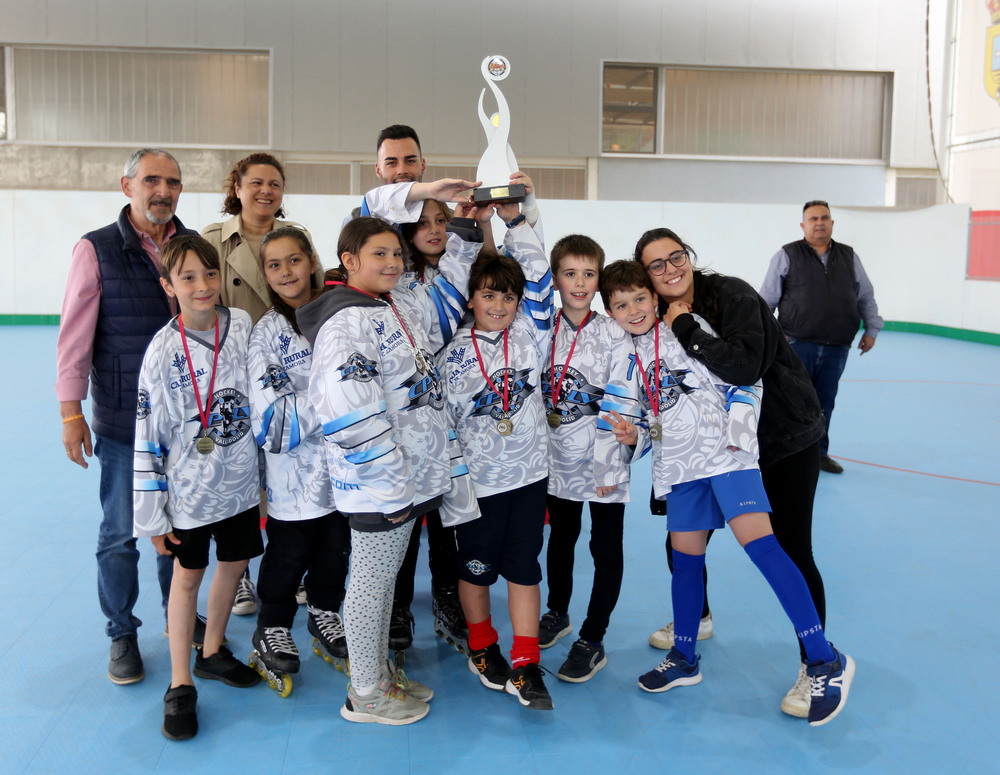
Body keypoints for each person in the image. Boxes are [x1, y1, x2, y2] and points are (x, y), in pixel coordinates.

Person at [596, 259, 854, 728]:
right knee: (685, 557)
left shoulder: (691, 328)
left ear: (655, 298)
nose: (633, 309)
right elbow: (642, 419)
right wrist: (632, 438)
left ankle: (823, 657)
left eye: (639, 299)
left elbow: (744, 380)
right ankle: (684, 657)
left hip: (727, 458)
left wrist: (736, 440)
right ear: (611, 313)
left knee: (765, 549)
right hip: (679, 467)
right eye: (620, 305)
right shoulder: (628, 357)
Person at [297, 216, 480, 725]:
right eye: (379, 254)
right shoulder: (345, 323)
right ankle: (365, 694)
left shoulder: (393, 303)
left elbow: (445, 297)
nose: (393, 263)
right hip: (381, 488)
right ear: (349, 260)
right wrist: (391, 485)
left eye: (396, 255)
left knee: (382, 581)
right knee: (371, 586)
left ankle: (378, 675)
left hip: (409, 479)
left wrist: (469, 227)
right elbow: (348, 410)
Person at [56, 148, 205, 686]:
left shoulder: (192, 247)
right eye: (151, 180)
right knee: (120, 534)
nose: (162, 190)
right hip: (123, 423)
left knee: (179, 531)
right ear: (127, 185)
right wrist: (70, 411)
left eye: (172, 181)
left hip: (187, 427)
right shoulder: (95, 250)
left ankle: (177, 617)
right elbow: (74, 335)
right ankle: (121, 632)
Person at [134, 235, 264, 740]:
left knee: (234, 566)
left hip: (240, 485)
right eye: (188, 277)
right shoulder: (162, 351)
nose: (203, 286)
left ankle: (212, 651)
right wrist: (152, 514)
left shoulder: (243, 326)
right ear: (169, 286)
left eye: (210, 274)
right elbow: (147, 434)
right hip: (189, 493)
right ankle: (180, 681)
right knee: (187, 578)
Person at [361, 124, 483, 659]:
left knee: (450, 518)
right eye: (392, 163)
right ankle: (395, 611)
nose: (403, 170)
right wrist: (427, 196)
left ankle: (447, 601)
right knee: (403, 515)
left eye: (411, 161)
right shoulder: (385, 261)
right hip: (399, 412)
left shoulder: (456, 260)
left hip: (455, 411)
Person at [437, 200, 556, 711]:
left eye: (509, 297)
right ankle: (484, 648)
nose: (502, 305)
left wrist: (514, 219)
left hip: (530, 477)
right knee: (477, 571)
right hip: (478, 486)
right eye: (489, 296)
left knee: (525, 567)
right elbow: (441, 424)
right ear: (471, 299)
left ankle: (527, 660)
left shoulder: (531, 334)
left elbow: (539, 277)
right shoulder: (451, 352)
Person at [201, 152, 323, 615]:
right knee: (242, 479)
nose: (265, 191)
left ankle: (299, 568)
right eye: (255, 183)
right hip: (233, 377)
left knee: (292, 471)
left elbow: (308, 301)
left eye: (274, 184)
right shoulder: (212, 239)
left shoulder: (299, 239)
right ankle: (244, 574)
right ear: (236, 187)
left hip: (286, 372)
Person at [246, 228, 351, 692]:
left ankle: (325, 613)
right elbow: (275, 423)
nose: (286, 272)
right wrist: (338, 397)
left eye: (294, 260)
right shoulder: (265, 334)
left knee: (335, 548)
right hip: (294, 477)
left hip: (347, 467)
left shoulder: (344, 313)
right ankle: (272, 624)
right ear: (266, 274)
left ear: (312, 261)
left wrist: (317, 397)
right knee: (288, 553)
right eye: (274, 265)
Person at [538, 234, 631, 683]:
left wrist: (613, 456)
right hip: (556, 459)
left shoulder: (614, 332)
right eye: (570, 273)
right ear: (554, 278)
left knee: (604, 546)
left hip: (604, 460)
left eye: (588, 274)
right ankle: (558, 611)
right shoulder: (539, 327)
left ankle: (593, 638)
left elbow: (623, 400)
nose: (579, 283)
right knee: (561, 538)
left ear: (599, 279)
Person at [759, 200, 883, 474]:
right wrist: (764, 338)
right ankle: (786, 454)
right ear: (803, 225)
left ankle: (819, 454)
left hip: (837, 347)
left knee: (825, 402)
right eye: (813, 218)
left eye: (824, 217)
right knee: (791, 401)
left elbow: (865, 294)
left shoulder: (849, 256)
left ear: (832, 223)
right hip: (795, 344)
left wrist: (872, 329)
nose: (819, 222)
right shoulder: (787, 254)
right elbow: (767, 300)